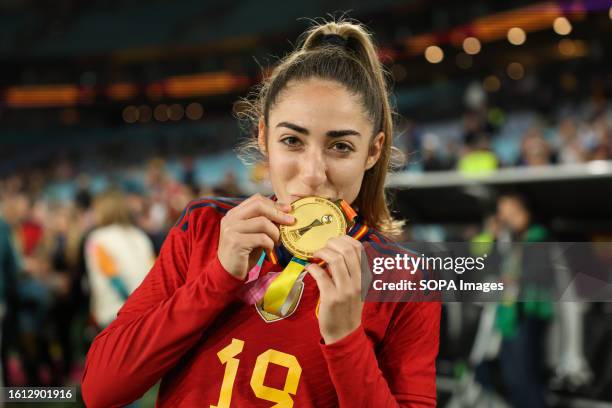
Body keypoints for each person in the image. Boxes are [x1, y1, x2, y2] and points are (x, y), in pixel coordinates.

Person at [81, 18, 440, 407]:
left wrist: (345, 340)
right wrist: (216, 278)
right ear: (263, 137)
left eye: (340, 147)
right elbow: (101, 389)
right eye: (292, 141)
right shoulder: (204, 227)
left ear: (372, 151)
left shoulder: (404, 280)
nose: (313, 173)